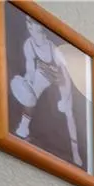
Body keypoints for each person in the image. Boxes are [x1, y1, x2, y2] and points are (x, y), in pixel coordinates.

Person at [10, 15, 82, 168]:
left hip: (59, 79)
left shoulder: (54, 51)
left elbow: (66, 78)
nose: (30, 26)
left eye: (33, 23)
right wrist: (26, 84)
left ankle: (76, 153)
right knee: (32, 92)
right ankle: (23, 128)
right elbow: (30, 71)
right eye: (28, 23)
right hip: (43, 75)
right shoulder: (28, 45)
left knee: (69, 112)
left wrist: (65, 99)